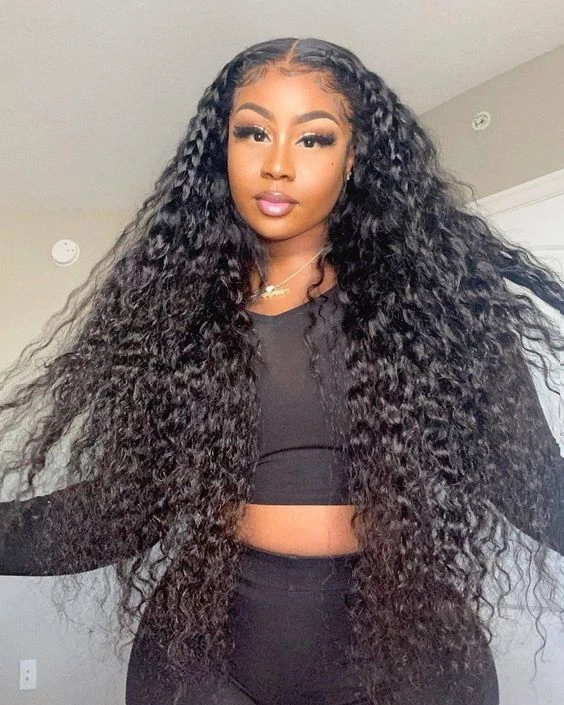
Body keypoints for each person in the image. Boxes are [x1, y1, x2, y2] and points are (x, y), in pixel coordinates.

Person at [0, 37, 562, 705]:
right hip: (204, 654)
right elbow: (122, 511)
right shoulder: (176, 309)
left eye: (314, 138)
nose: (276, 164)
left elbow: (533, 485)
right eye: (253, 131)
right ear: (223, 147)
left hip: (402, 651)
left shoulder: (437, 300)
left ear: (353, 157)